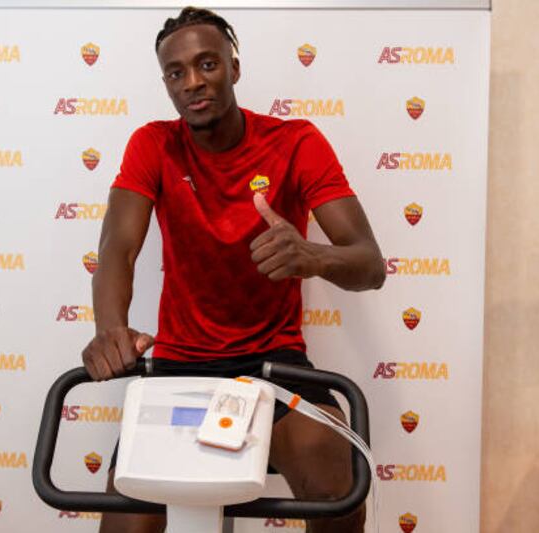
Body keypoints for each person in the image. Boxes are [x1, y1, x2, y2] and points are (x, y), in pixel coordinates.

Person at [81, 7, 385, 533]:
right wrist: (109, 328)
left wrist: (315, 257)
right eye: (176, 73)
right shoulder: (153, 143)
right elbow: (117, 248)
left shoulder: (295, 143)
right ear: (166, 83)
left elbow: (369, 263)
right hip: (178, 362)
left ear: (234, 67)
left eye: (207, 64)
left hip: (275, 361)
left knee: (339, 491)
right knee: (124, 523)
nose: (193, 82)